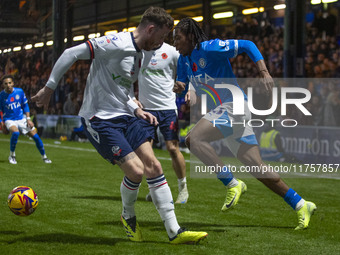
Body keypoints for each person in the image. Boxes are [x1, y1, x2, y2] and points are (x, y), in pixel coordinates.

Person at [31, 7, 207, 244]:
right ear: (151, 29)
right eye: (162, 36)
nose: (162, 42)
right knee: (136, 171)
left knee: (153, 165)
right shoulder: (114, 42)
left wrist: (137, 109)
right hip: (99, 118)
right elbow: (70, 53)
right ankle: (128, 216)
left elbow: (122, 87)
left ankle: (175, 232)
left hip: (126, 115)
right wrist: (49, 87)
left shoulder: (141, 54)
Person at [173, 18, 316, 230]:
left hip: (234, 106)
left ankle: (232, 183)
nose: (174, 42)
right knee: (258, 168)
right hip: (224, 113)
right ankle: (301, 204)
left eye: (178, 38)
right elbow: (185, 86)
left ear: (191, 37)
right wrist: (182, 89)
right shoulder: (182, 60)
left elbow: (248, 45)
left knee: (193, 139)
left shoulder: (211, 48)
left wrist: (264, 72)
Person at [136, 42, 189, 204]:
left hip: (167, 108)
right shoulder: (138, 51)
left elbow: (188, 67)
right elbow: (126, 75)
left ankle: (183, 189)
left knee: (173, 148)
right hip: (145, 109)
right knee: (146, 152)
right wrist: (132, 97)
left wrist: (184, 83)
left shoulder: (172, 51)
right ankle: (156, 189)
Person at [0, 74, 52, 164]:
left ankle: (44, 157)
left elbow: (25, 105)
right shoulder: (1, 95)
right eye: (5, 83)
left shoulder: (19, 92)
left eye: (9, 83)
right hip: (9, 119)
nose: (8, 85)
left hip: (21, 118)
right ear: (3, 85)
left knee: (35, 137)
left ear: (13, 83)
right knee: (15, 133)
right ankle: (12, 156)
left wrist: (28, 119)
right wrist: (1, 122)